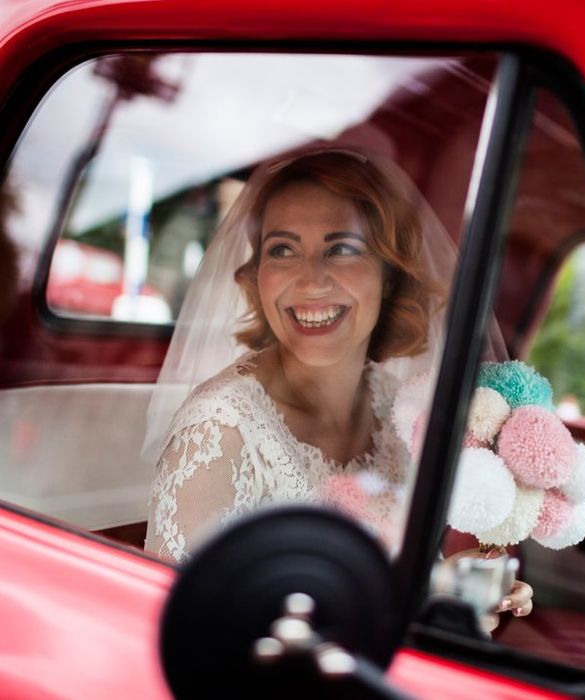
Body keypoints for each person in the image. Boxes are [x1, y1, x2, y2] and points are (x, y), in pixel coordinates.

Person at [143, 148, 532, 617]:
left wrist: (446, 589)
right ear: (257, 275)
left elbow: (383, 579)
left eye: (342, 248)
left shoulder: (398, 408)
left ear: (389, 275)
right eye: (283, 250)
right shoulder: (217, 433)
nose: (310, 281)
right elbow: (186, 640)